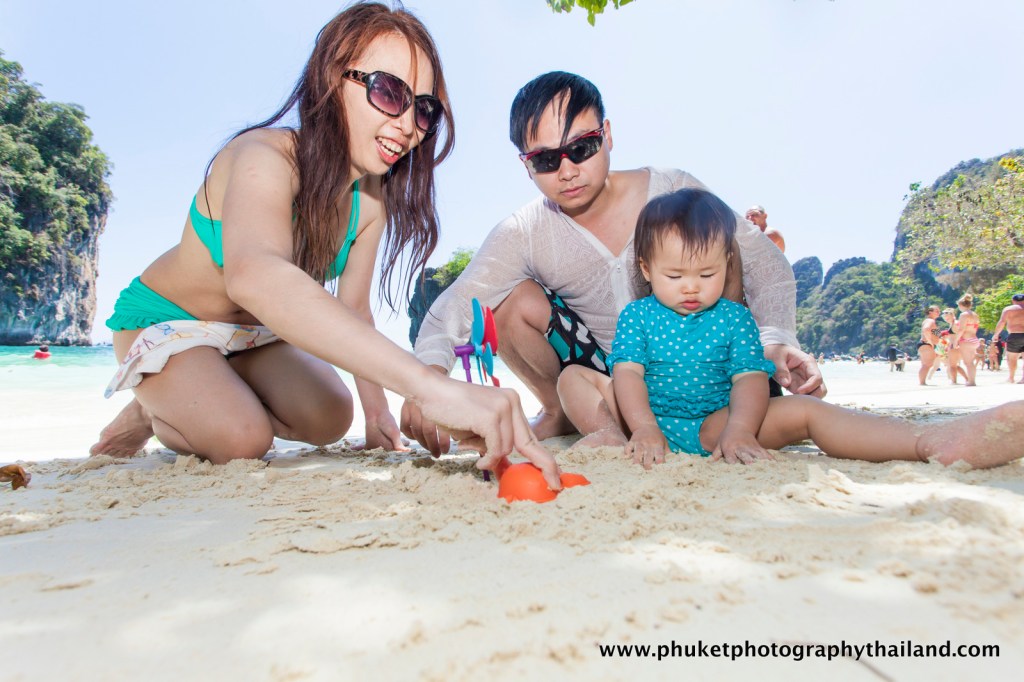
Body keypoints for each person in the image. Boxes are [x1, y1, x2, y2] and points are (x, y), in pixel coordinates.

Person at [88, 2, 561, 488]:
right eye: (389, 91)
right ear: (333, 79)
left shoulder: (371, 204)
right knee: (240, 442)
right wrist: (430, 386)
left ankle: (201, 390)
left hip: (253, 337)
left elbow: (354, 310)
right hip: (168, 322)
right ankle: (152, 408)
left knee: (330, 416)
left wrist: (380, 415)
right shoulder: (263, 155)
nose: (407, 125)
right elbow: (254, 273)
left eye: (424, 108)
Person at [404, 71, 823, 454]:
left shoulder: (671, 189)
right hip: (613, 376)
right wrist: (428, 382)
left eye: (581, 148)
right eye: (547, 160)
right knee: (511, 299)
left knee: (723, 252)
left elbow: (765, 262)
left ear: (607, 134)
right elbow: (457, 304)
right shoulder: (524, 232)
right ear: (525, 164)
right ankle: (561, 410)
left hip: (709, 368)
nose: (567, 171)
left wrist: (777, 337)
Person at [555, 188, 1023, 469]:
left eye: (708, 273)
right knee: (574, 377)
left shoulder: (734, 317)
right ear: (646, 267)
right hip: (643, 419)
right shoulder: (639, 315)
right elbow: (630, 376)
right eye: (675, 276)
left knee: (808, 412)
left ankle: (926, 442)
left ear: (727, 263)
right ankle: (613, 441)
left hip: (714, 425)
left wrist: (739, 430)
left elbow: (749, 380)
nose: (692, 287)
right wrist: (642, 428)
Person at [992, 292, 1024, 383]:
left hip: (1014, 335)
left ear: (1013, 301)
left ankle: (1011, 377)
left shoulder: (1008, 309)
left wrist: (996, 334)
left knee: (1012, 358)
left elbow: (1002, 322)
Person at [951, 293, 981, 386]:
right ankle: (972, 380)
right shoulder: (975, 315)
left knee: (968, 363)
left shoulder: (963, 315)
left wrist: (956, 341)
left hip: (966, 340)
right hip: (974, 339)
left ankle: (971, 382)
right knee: (970, 362)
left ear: (960, 305)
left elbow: (961, 329)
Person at [917, 305, 941, 385]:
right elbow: (926, 329)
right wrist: (930, 341)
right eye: (936, 311)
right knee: (927, 364)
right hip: (926, 344)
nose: (938, 312)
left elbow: (934, 334)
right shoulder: (930, 321)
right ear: (930, 312)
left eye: (939, 311)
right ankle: (922, 382)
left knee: (926, 364)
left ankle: (922, 382)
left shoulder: (930, 321)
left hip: (924, 344)